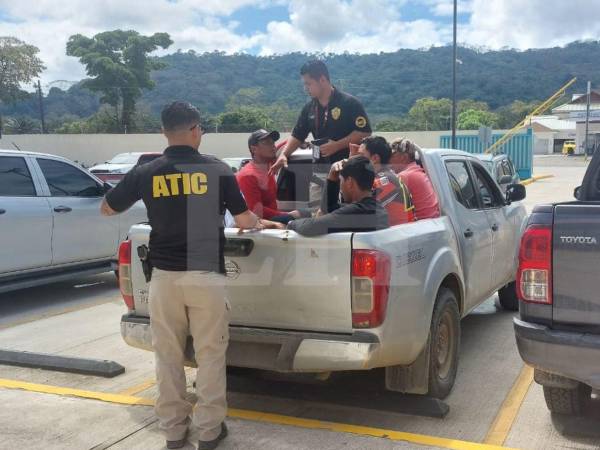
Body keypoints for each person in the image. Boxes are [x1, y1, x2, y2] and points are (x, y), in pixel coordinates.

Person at [100, 101, 276, 450]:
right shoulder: (217, 169)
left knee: (167, 355)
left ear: (164, 132)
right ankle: (209, 431)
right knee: (210, 355)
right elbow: (244, 220)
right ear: (196, 130)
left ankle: (173, 431)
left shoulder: (147, 171)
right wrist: (263, 222)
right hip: (206, 277)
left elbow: (107, 207)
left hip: (165, 277)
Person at [269, 59, 372, 202]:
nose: (305, 88)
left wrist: (337, 145)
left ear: (322, 80)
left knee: (344, 213)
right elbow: (297, 135)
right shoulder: (309, 108)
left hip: (346, 172)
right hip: (319, 172)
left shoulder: (349, 103)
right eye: (304, 84)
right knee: (317, 212)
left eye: (308, 83)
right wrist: (284, 155)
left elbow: (364, 132)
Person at [283, 156, 389, 236]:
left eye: (341, 180)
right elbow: (328, 208)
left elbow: (310, 227)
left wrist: (290, 224)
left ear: (350, 182)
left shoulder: (355, 212)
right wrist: (332, 176)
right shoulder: (375, 208)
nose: (340, 187)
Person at [236, 129, 301, 222]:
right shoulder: (248, 176)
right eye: (267, 143)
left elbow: (280, 147)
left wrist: (299, 141)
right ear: (254, 149)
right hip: (262, 225)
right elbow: (255, 211)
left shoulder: (269, 165)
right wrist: (288, 215)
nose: (273, 146)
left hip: (272, 218)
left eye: (273, 142)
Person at [351, 136, 415, 225]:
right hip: (398, 231)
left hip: (399, 232)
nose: (355, 159)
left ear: (375, 158)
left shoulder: (384, 181)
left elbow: (354, 213)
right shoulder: (388, 176)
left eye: (361, 155)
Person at [390, 138, 441, 220]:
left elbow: (385, 202)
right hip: (431, 222)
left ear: (404, 157)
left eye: (392, 156)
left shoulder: (404, 176)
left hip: (420, 224)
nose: (389, 160)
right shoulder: (417, 171)